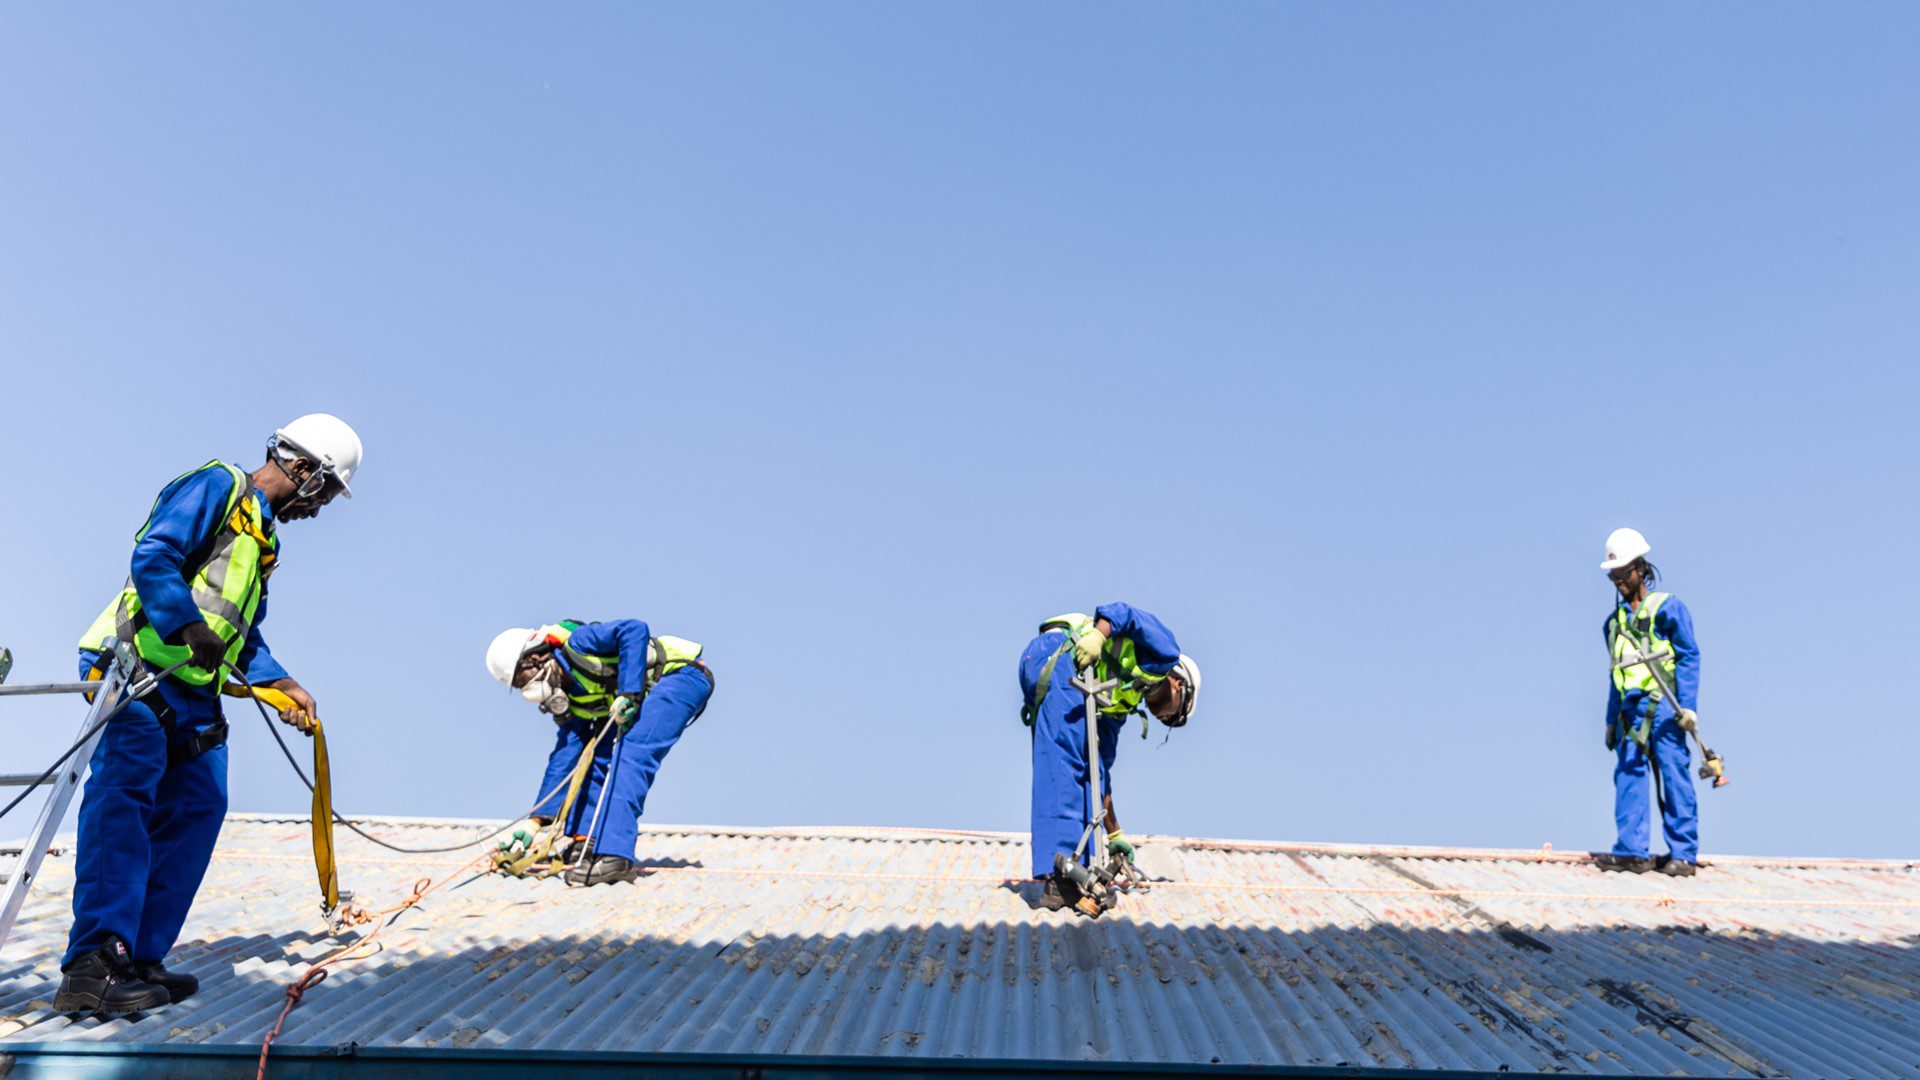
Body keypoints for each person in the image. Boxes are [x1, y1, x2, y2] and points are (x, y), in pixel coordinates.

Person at [58, 414, 362, 1013]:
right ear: (303, 470)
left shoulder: (263, 539)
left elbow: (242, 635)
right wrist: (187, 624)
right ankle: (92, 965)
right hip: (138, 667)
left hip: (191, 689)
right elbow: (154, 555)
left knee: (201, 803)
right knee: (125, 797)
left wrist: (282, 681)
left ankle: (139, 956)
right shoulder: (218, 486)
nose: (320, 509)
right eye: (324, 492)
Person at [485, 619, 713, 885]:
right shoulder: (573, 694)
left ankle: (615, 855)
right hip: (642, 695)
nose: (526, 688)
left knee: (631, 753)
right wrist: (535, 821)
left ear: (534, 658)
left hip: (679, 676)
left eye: (520, 679)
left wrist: (629, 692)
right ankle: (587, 841)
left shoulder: (580, 643)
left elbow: (634, 630)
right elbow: (566, 758)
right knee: (595, 758)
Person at [1017, 604, 1199, 911]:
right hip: (1061, 653)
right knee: (1065, 763)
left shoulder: (1121, 702)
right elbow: (1121, 612)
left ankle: (1075, 874)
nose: (1165, 718)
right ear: (1179, 683)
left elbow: (1099, 773)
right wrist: (1099, 637)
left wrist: (1114, 834)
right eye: (1173, 713)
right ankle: (1060, 876)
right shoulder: (1165, 652)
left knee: (1082, 769)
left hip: (1050, 669)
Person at [1595, 527, 1702, 877]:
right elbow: (1616, 673)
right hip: (1629, 712)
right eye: (1613, 575)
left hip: (1665, 709)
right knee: (1628, 776)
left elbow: (1688, 656)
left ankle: (1683, 854)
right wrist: (1612, 720)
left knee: (1673, 775)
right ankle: (1631, 852)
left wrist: (1688, 706)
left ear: (1640, 568)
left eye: (1623, 573)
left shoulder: (1667, 608)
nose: (1619, 581)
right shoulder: (1613, 624)